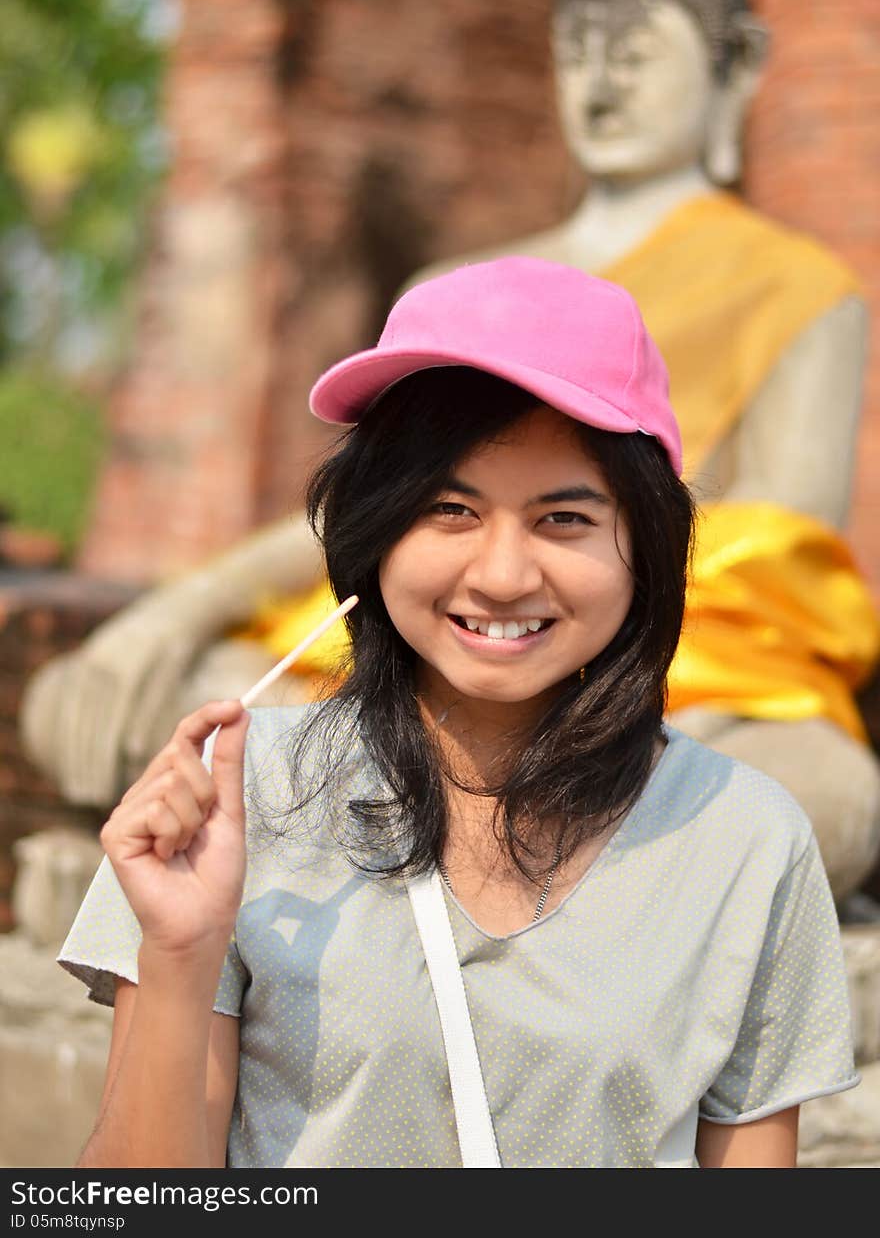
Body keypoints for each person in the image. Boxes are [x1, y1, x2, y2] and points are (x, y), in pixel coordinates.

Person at [21, 0, 879, 905]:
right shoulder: (457, 290)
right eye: (578, 50)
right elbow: (372, 511)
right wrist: (169, 612)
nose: (601, 82)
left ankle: (489, 838)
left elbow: (776, 546)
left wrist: (598, 659)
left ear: (735, 68)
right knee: (179, 702)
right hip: (432, 661)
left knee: (807, 796)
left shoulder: (798, 288)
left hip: (678, 671)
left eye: (638, 52)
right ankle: (505, 850)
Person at [59, 257, 857, 1169]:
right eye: (449, 508)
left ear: (646, 549)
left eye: (564, 519)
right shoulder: (238, 799)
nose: (504, 574)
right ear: (376, 530)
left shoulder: (747, 840)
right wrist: (178, 954)